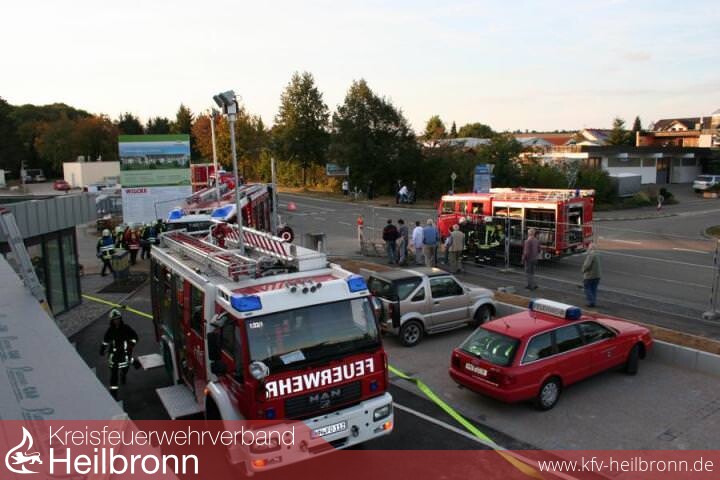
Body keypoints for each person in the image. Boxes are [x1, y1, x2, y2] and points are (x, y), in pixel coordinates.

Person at [100, 309, 139, 400]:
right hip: (114, 356)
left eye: (118, 319)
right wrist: (102, 350)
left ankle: (124, 374)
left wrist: (131, 345)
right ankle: (113, 394)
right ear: (111, 320)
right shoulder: (110, 331)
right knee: (114, 375)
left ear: (120, 319)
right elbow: (105, 341)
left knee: (125, 369)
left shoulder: (126, 328)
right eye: (114, 319)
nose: (116, 321)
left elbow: (135, 337)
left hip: (125, 354)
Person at [582, 243, 602, 307]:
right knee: (594, 289)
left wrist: (583, 270)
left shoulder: (591, 255)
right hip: (597, 275)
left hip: (590, 275)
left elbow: (586, 265)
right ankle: (593, 301)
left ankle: (591, 302)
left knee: (587, 288)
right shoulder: (597, 255)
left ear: (590, 248)